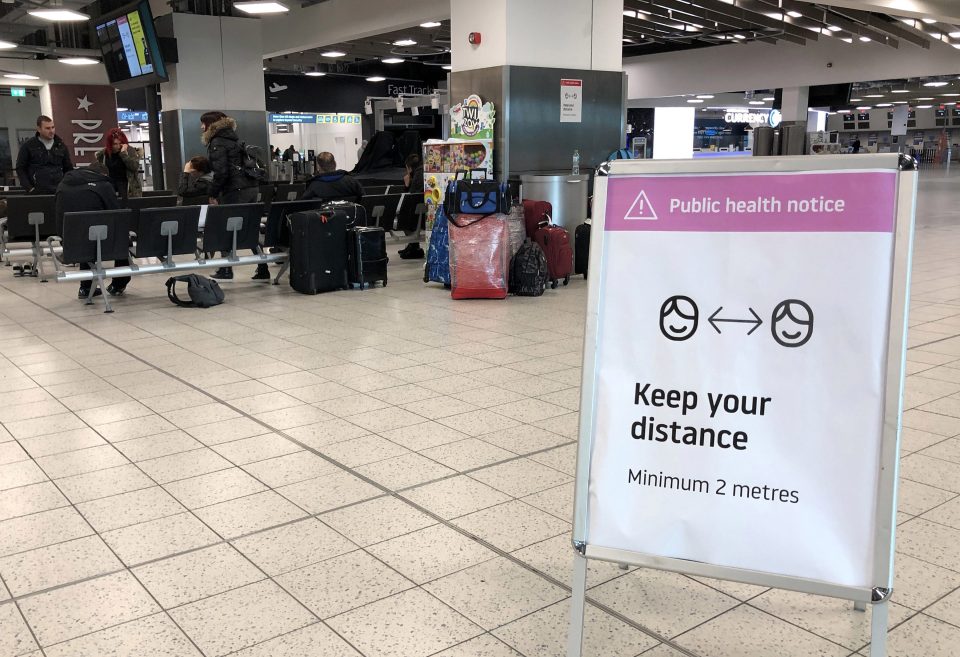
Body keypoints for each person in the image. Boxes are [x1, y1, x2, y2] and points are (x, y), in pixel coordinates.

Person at [200, 110, 266, 280]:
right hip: (250, 187)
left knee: (226, 227)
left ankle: (226, 269)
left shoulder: (218, 142)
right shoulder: (233, 139)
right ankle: (263, 266)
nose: (201, 127)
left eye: (203, 123)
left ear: (211, 125)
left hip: (234, 190)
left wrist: (213, 193)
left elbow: (221, 172)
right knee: (251, 228)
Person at [54, 162, 131, 298]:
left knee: (86, 232)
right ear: (103, 175)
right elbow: (117, 214)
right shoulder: (104, 185)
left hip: (68, 242)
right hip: (99, 242)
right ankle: (119, 284)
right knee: (119, 237)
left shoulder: (63, 184)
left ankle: (85, 288)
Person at [16, 114, 73, 193]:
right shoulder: (28, 146)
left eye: (53, 127)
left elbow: (68, 168)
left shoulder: (61, 145)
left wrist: (67, 186)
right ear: (39, 129)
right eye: (47, 128)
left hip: (59, 190)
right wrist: (29, 188)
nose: (51, 131)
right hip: (37, 191)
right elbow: (20, 169)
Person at [95, 128, 142, 200]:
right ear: (110, 144)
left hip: (127, 187)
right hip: (110, 185)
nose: (118, 146)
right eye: (115, 144)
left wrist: (124, 154)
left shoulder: (129, 150)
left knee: (126, 207)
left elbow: (134, 167)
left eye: (120, 143)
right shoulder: (104, 154)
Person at [398, 153, 425, 260]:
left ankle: (414, 246)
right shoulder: (423, 171)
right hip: (424, 213)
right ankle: (413, 246)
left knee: (403, 219)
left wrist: (407, 185)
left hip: (418, 214)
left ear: (409, 167)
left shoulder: (417, 175)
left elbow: (412, 197)